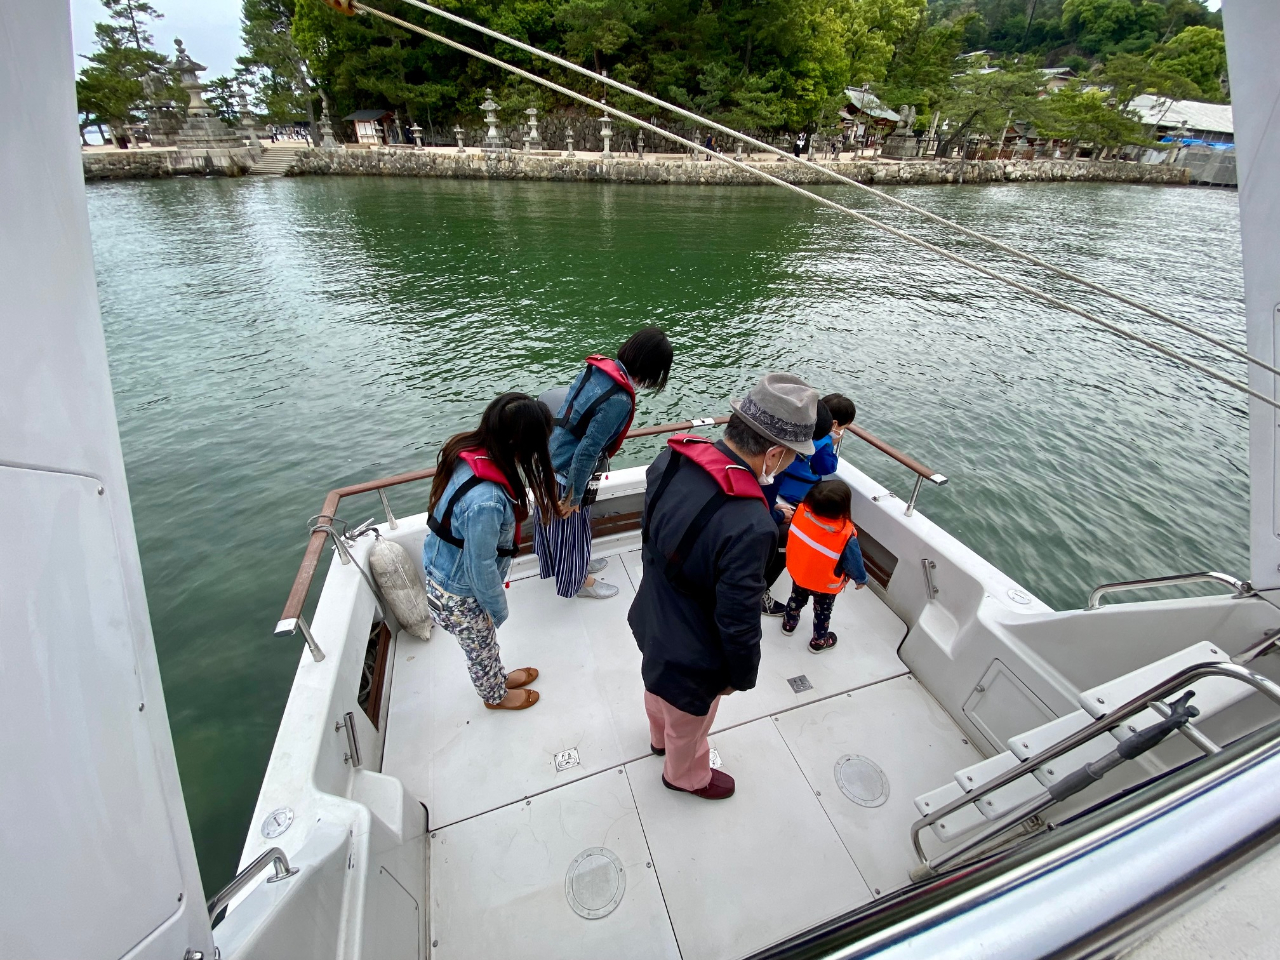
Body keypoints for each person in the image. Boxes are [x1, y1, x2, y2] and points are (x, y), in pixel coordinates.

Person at [629, 374, 818, 800]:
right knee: (691, 723)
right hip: (694, 649)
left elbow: (649, 536)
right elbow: (738, 617)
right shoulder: (750, 524)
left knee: (656, 688)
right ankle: (684, 776)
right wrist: (739, 675)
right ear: (774, 453)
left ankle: (657, 739)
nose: (789, 465)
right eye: (791, 458)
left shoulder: (671, 459)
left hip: (651, 614)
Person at [422, 393, 562, 710]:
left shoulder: (470, 453)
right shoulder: (486, 501)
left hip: (443, 574)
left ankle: (497, 677)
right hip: (458, 592)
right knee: (479, 649)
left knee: (483, 642)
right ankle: (494, 696)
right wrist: (498, 608)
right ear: (520, 444)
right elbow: (480, 565)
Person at [536, 327, 674, 600]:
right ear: (650, 370)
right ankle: (579, 582)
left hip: (551, 456)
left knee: (565, 527)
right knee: (570, 531)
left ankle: (578, 563)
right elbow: (588, 450)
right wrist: (574, 496)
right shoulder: (619, 400)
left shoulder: (599, 370)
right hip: (568, 473)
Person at [762, 393, 857, 615]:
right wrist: (834, 442)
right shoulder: (823, 443)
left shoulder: (790, 434)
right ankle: (761, 589)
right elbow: (826, 467)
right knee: (787, 538)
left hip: (780, 491)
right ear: (834, 425)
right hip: (797, 496)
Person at [782, 479, 867, 653]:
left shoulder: (800, 513)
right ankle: (819, 641)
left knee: (795, 599)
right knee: (822, 613)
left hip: (800, 573)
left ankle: (789, 624)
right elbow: (854, 562)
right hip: (824, 585)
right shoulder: (845, 536)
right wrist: (861, 580)